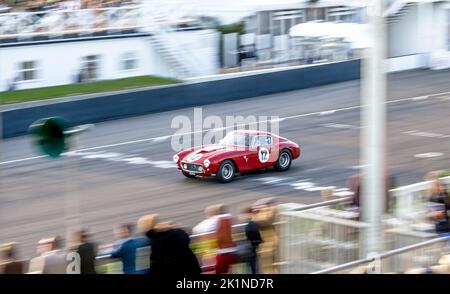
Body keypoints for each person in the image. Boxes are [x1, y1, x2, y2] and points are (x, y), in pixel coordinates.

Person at [251, 197, 278, 274]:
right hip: (268, 242)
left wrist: (255, 214)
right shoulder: (270, 211)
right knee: (269, 267)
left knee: (269, 268)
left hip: (270, 243)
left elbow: (263, 221)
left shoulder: (270, 210)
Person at [240, 206, 262, 274]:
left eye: (243, 214)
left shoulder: (251, 224)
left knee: (253, 268)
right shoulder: (251, 223)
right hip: (252, 249)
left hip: (252, 250)